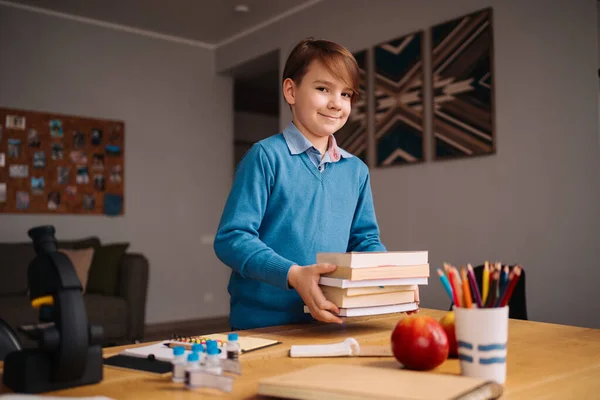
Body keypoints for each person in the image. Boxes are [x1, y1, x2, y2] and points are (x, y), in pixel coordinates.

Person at [214, 38, 418, 330]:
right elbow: (232, 239)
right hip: (263, 325)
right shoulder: (265, 157)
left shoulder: (356, 171)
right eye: (323, 89)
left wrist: (390, 275)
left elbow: (364, 241)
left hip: (333, 320)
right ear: (291, 91)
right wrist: (293, 274)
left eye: (346, 94)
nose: (336, 103)